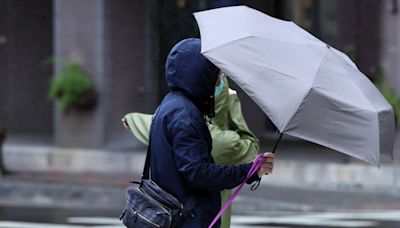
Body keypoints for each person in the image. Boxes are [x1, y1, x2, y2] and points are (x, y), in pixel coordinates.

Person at [124, 38, 274, 227]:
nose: (219, 80)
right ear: (200, 74)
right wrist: (249, 170)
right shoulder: (185, 116)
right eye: (215, 73)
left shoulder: (172, 104)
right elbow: (198, 173)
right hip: (188, 219)